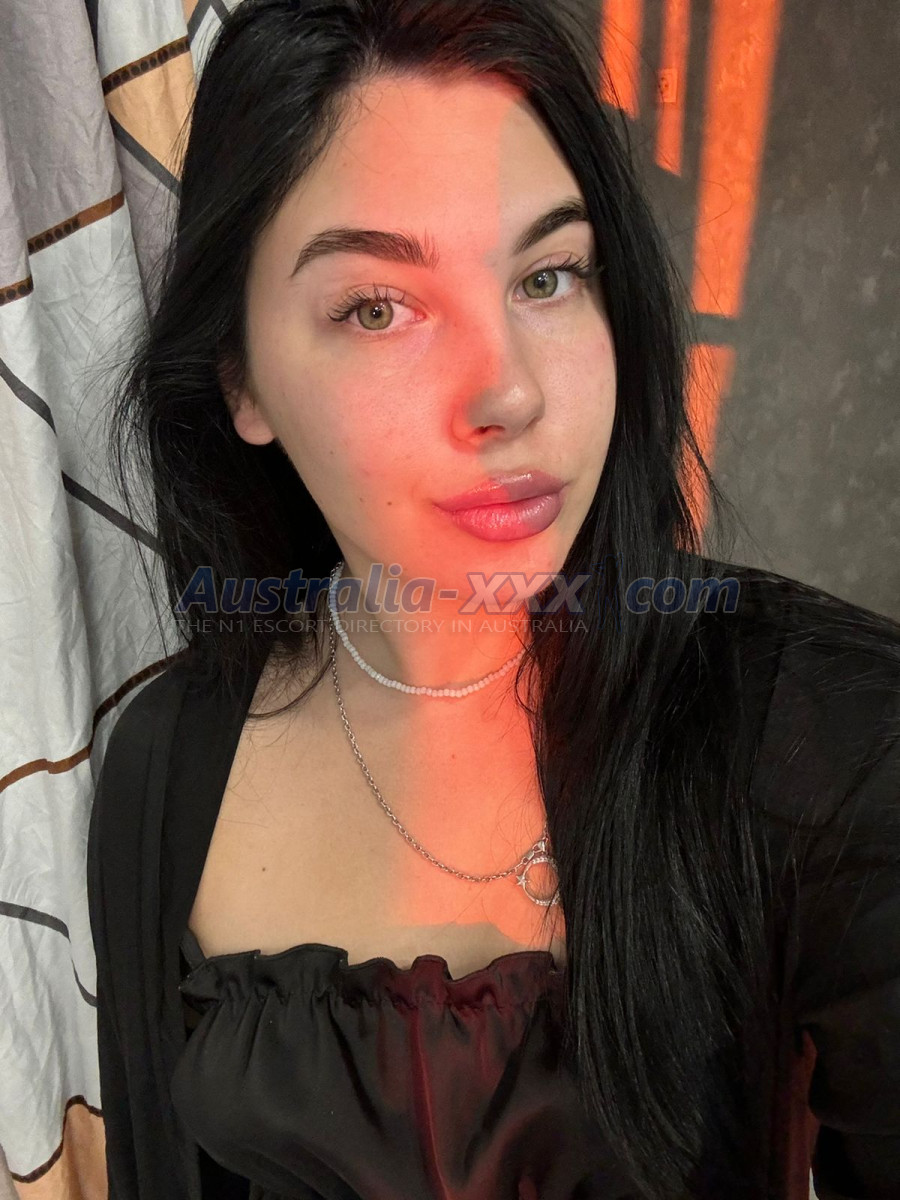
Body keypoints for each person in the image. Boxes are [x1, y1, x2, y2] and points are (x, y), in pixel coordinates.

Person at [86, 0, 900, 1197]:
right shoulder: (165, 766)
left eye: (548, 276)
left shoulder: (829, 741)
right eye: (378, 307)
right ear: (241, 381)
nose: (508, 392)